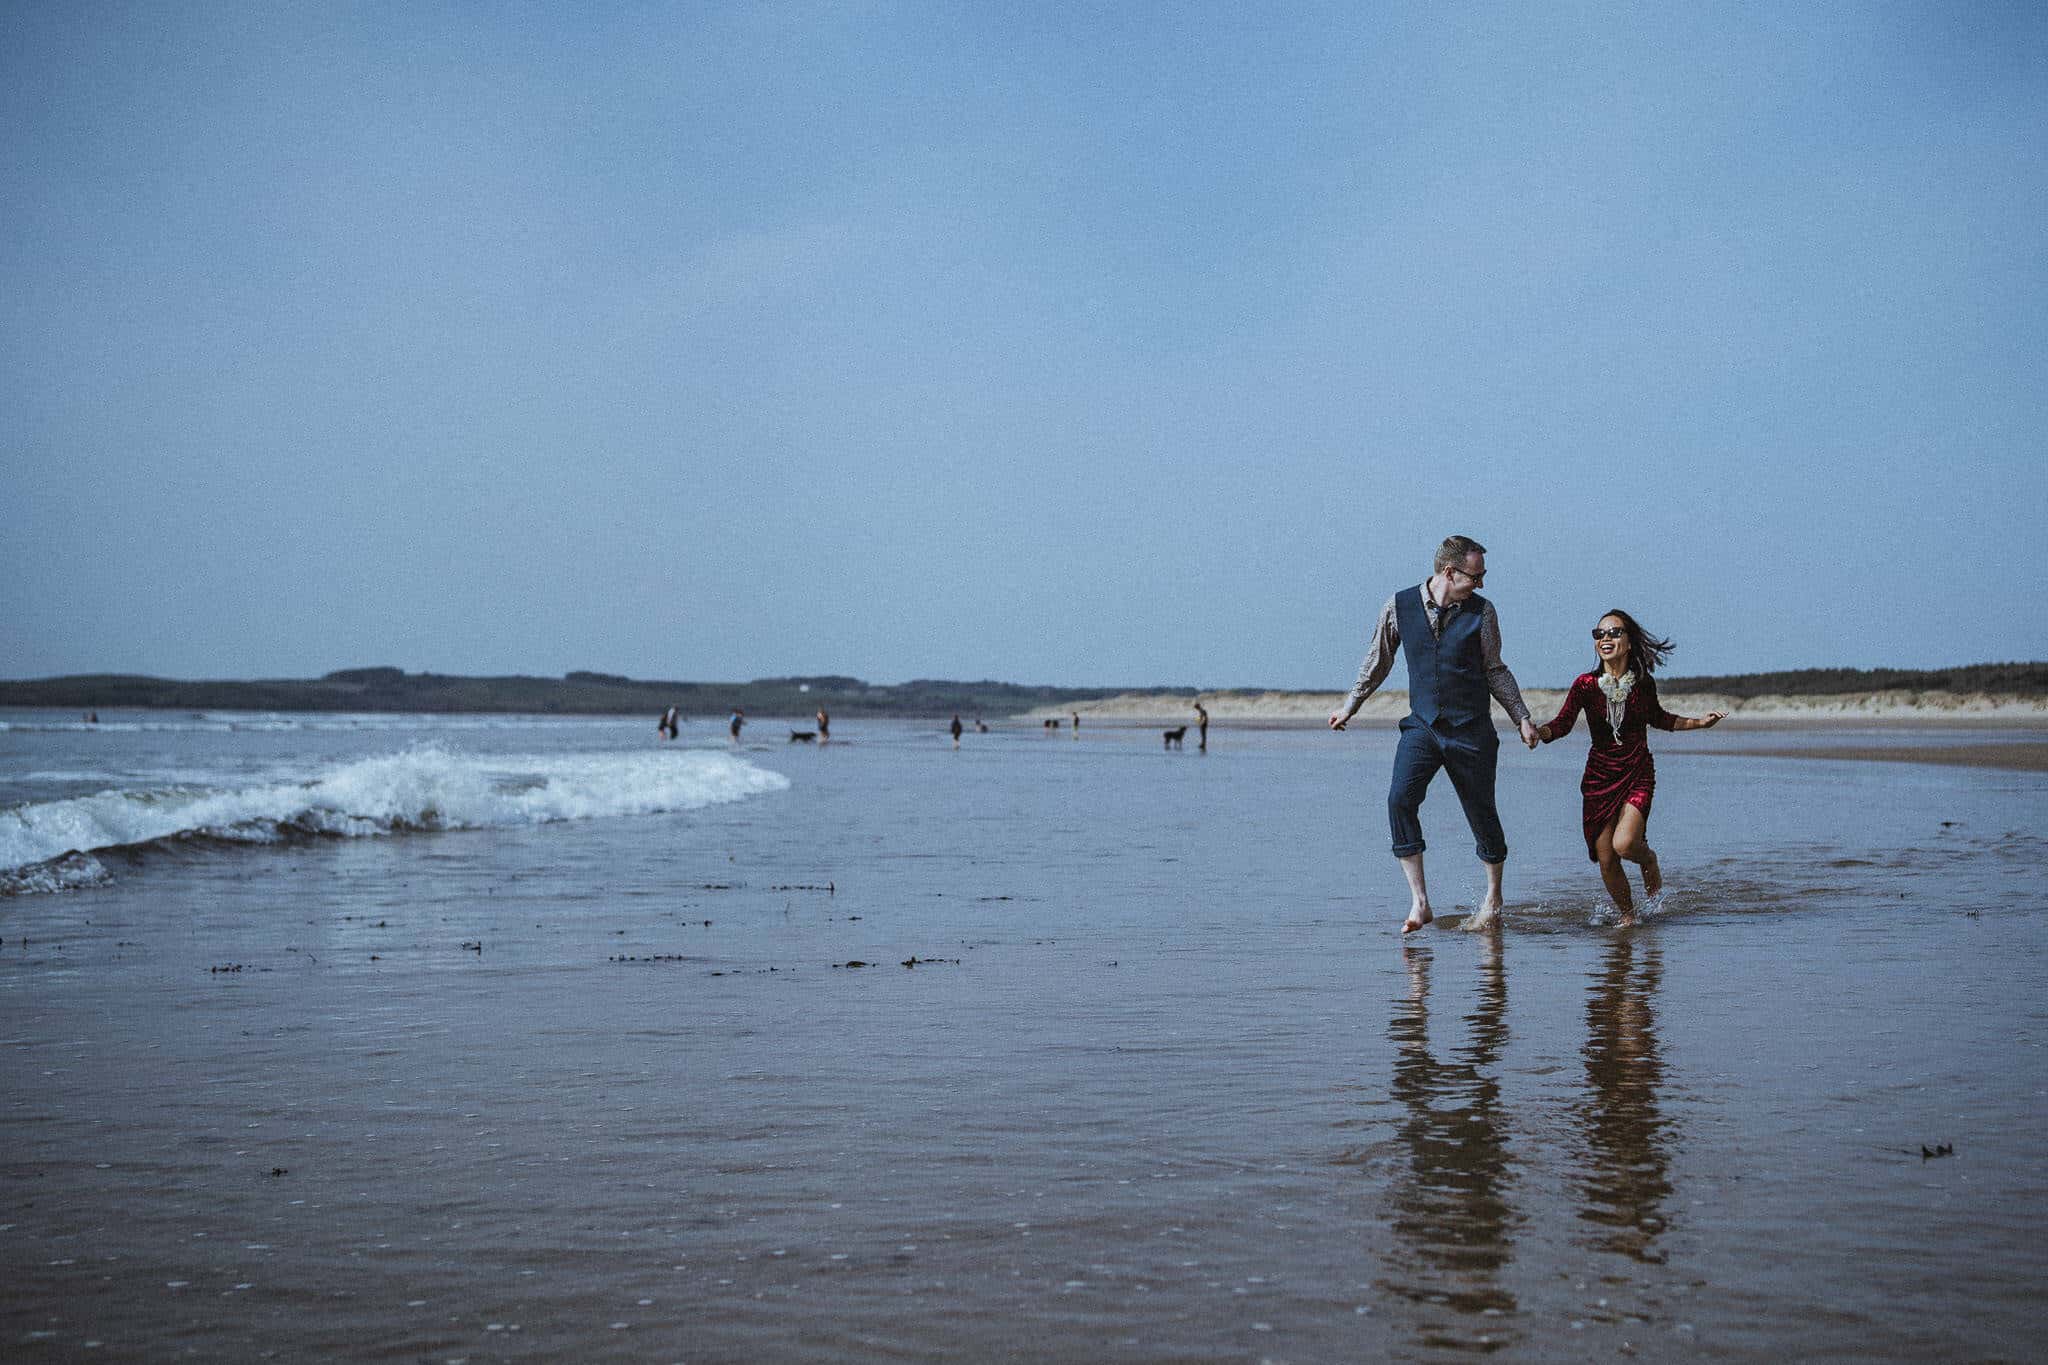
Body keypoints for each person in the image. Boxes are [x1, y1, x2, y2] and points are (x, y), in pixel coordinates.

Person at [1329, 535, 1539, 934]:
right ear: (1449, 572)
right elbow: (1378, 661)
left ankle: (1493, 896)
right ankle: (1420, 901)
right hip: (1423, 726)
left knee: (1482, 813)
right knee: (1399, 799)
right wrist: (1350, 705)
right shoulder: (1399, 605)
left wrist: (1522, 718)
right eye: (1475, 577)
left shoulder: (1483, 612)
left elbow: (1494, 668)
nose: (1480, 584)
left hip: (1471, 730)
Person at [1537, 610, 1725, 925]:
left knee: (1624, 845)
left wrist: (1700, 724)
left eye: (1613, 633)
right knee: (1606, 856)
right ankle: (1629, 916)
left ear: (1628, 640)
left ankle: (1648, 857)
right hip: (1599, 777)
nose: (1605, 639)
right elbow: (1562, 723)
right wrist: (1539, 733)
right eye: (1599, 634)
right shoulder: (1585, 684)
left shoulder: (1642, 684)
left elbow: (1660, 718)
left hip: (1637, 772)